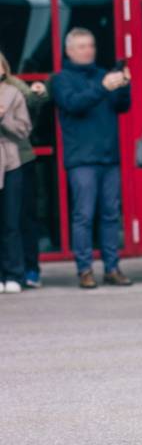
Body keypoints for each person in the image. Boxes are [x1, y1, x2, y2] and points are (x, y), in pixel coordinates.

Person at [50, 28, 133, 289]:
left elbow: (122, 106)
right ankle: (84, 269)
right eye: (82, 46)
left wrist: (123, 86)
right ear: (69, 50)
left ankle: (112, 267)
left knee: (110, 215)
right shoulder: (61, 79)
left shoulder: (102, 75)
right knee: (84, 215)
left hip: (109, 157)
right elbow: (74, 104)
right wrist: (103, 87)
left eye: (91, 45)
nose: (88, 51)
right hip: (81, 159)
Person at [6, 71, 49, 288]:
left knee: (23, 216)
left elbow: (31, 106)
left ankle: (29, 268)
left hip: (20, 160)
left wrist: (38, 94)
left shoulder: (15, 87)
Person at [0, 51, 32, 293]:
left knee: (11, 221)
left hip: (11, 162)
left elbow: (24, 130)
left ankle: (14, 274)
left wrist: (3, 118)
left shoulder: (14, 94)